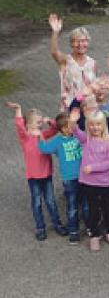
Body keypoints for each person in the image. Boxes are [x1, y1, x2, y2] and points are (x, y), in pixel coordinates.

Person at [8, 101, 63, 240]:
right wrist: (18, 109)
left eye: (40, 122)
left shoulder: (44, 134)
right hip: (33, 176)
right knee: (37, 202)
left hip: (46, 174)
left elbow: (57, 128)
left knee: (50, 201)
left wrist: (49, 121)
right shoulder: (25, 138)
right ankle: (40, 227)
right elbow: (19, 126)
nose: (40, 124)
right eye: (37, 122)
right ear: (29, 124)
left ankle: (57, 224)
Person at [72, 110, 109, 251]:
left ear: (104, 125)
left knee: (108, 208)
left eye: (98, 124)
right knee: (93, 210)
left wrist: (92, 167)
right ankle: (94, 234)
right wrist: (73, 121)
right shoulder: (86, 139)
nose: (95, 128)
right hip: (89, 182)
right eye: (92, 125)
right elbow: (75, 131)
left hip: (105, 182)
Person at [39, 111, 84, 243]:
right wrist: (40, 136)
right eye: (70, 126)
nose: (73, 128)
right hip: (69, 178)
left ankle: (89, 227)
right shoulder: (58, 141)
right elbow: (44, 149)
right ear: (64, 129)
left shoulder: (77, 135)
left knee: (86, 203)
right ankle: (73, 231)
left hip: (84, 176)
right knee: (72, 205)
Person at [49, 14, 98, 111]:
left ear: (88, 42)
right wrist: (55, 32)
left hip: (89, 109)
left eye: (83, 41)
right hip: (70, 109)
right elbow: (54, 52)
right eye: (76, 41)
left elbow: (94, 87)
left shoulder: (93, 63)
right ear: (71, 43)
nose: (80, 44)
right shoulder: (66, 60)